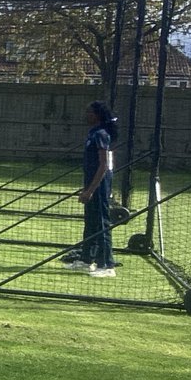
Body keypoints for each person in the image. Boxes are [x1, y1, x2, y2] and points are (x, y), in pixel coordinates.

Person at [65, 100, 117, 278]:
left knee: (102, 222)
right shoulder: (92, 133)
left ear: (97, 115)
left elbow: (103, 165)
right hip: (91, 184)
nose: (86, 114)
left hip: (100, 186)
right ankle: (87, 259)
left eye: (89, 112)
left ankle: (107, 265)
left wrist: (91, 190)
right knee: (91, 221)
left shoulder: (102, 134)